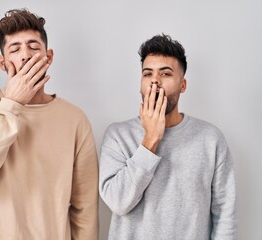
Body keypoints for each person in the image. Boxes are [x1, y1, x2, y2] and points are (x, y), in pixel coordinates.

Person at [0, 9, 98, 240]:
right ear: (2, 62)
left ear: (48, 57)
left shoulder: (75, 119)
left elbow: (85, 210)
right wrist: (12, 103)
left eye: (33, 46)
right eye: (15, 49)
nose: (25, 55)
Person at [99, 34, 237, 239]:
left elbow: (225, 213)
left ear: (183, 85)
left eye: (165, 74)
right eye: (147, 74)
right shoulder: (118, 135)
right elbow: (118, 203)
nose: (155, 81)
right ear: (140, 84)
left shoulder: (210, 139)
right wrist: (150, 140)